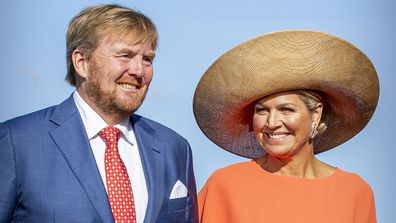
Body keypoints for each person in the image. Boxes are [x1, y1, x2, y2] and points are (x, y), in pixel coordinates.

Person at [0, 4, 198, 223]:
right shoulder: (16, 143)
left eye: (147, 59)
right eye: (125, 55)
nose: (139, 71)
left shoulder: (174, 149)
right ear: (81, 62)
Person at [193, 30, 378, 223]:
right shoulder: (224, 186)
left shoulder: (355, 192)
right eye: (262, 111)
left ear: (316, 114)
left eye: (286, 110)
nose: (272, 123)